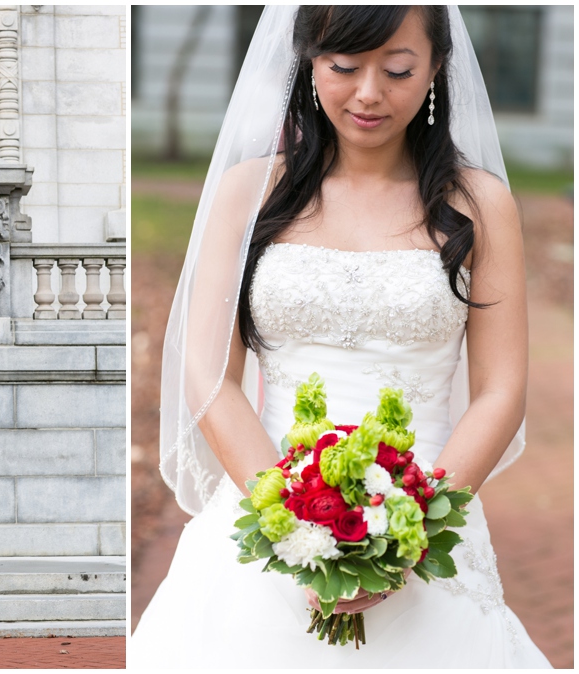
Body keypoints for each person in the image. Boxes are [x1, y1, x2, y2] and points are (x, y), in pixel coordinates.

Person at [132, 6, 551, 668]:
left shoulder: (480, 203)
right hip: (266, 502)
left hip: (430, 512)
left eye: (398, 70)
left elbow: (501, 390)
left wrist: (414, 530)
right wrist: (292, 521)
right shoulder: (249, 193)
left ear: (436, 67)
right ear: (308, 62)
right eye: (345, 67)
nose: (369, 94)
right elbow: (209, 376)